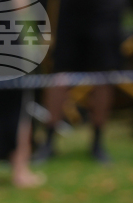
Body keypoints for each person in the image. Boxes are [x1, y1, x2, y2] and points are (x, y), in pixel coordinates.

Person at [33, 0, 127, 164]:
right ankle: (49, 141)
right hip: (69, 10)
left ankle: (97, 142)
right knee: (59, 76)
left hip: (105, 10)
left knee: (103, 77)